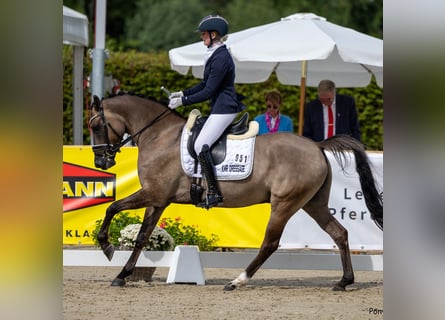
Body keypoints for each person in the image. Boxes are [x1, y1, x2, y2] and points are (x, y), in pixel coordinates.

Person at [168, 14, 245, 208]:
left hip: (224, 109)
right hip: (219, 108)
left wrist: (183, 102)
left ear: (214, 34)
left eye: (204, 34)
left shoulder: (221, 58)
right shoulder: (214, 54)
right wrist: (182, 93)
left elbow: (209, 91)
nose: (202, 37)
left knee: (201, 144)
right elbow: (204, 84)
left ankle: (213, 192)